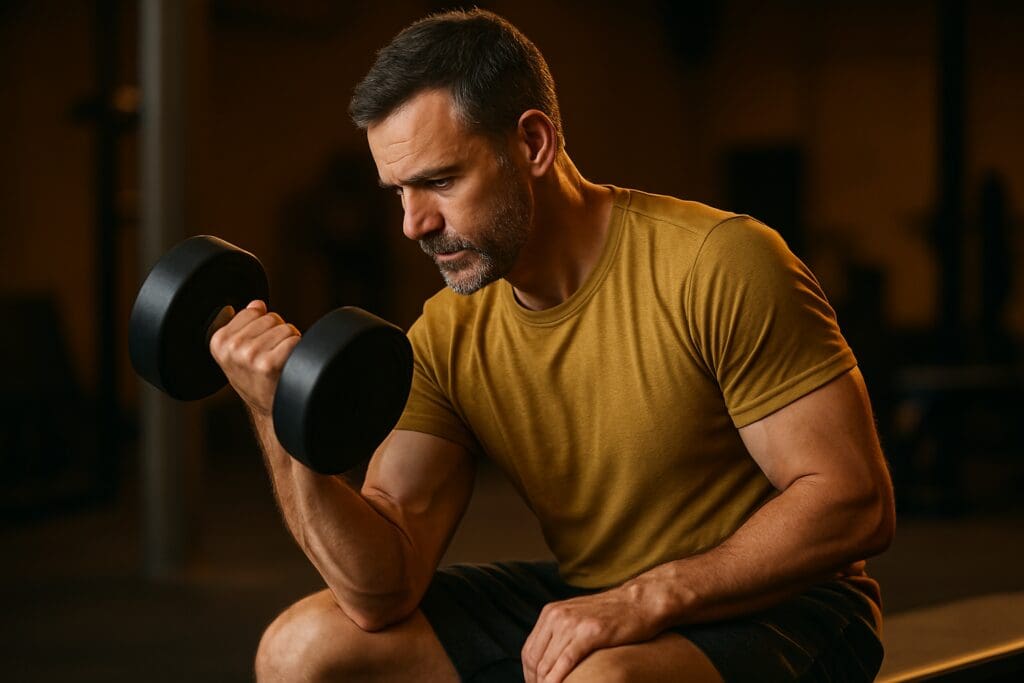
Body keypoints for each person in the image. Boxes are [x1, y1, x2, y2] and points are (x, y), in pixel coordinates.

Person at [209, 9, 895, 683]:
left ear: (533, 144)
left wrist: (642, 599)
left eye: (441, 181)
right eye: (399, 192)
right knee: (301, 648)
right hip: (600, 596)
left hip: (792, 613)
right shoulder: (446, 336)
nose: (413, 223)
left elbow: (853, 499)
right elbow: (381, 587)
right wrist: (277, 417)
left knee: (599, 677)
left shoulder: (718, 263)